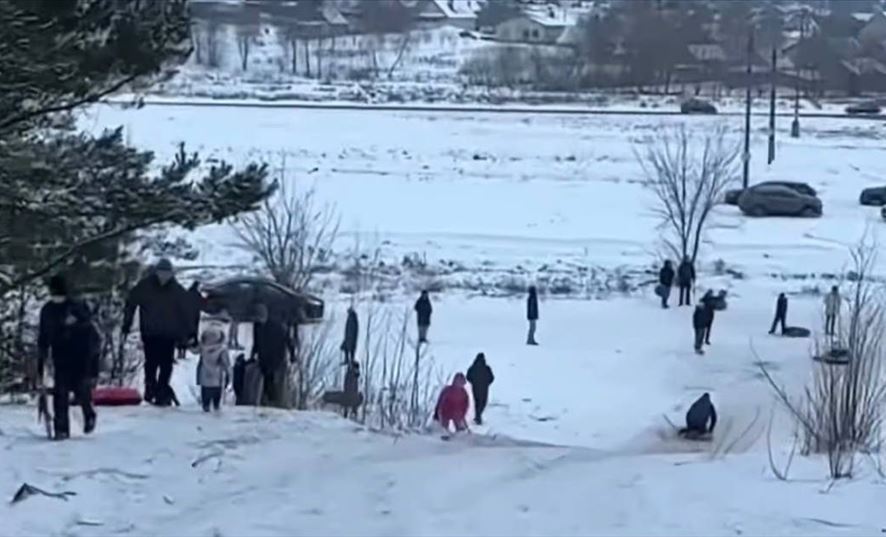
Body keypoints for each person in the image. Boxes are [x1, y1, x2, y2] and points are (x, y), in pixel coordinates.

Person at [37, 275, 99, 440]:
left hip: (80, 354)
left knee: (81, 388)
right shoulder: (47, 310)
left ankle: (89, 414)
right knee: (61, 392)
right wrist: (41, 358)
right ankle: (61, 428)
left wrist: (76, 323)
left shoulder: (76, 306)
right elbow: (43, 335)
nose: (57, 297)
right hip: (60, 355)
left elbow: (89, 327)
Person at [122, 258, 190, 405]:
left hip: (169, 333)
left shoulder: (177, 290)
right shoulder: (145, 286)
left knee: (166, 364)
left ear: (171, 274)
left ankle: (162, 391)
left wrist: (186, 334)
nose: (164, 276)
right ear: (157, 272)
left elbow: (186, 312)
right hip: (150, 331)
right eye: (161, 272)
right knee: (151, 362)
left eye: (167, 273)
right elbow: (131, 302)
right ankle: (150, 388)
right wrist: (127, 323)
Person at [250, 304, 295, 407]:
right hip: (264, 357)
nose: (258, 320)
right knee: (267, 379)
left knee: (275, 379)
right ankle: (267, 400)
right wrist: (253, 354)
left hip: (276, 356)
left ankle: (275, 400)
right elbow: (256, 342)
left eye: (259, 318)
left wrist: (292, 355)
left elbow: (288, 340)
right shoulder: (257, 326)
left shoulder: (278, 326)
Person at [196, 325, 231, 412]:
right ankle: (216, 410)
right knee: (216, 404)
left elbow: (199, 362)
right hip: (217, 381)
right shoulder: (222, 350)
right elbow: (226, 365)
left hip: (204, 380)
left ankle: (206, 408)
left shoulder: (202, 349)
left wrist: (198, 379)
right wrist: (228, 377)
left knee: (205, 404)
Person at [466, 353, 494, 425]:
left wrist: (473, 382)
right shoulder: (487, 368)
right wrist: (487, 383)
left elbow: (468, 376)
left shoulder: (472, 367)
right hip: (484, 388)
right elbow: (491, 378)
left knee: (477, 402)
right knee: (483, 402)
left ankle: (477, 416)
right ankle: (478, 416)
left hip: (475, 387)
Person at [180, 281, 203, 360]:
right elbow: (201, 304)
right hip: (195, 316)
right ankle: (187, 349)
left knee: (184, 333)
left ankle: (181, 350)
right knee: (193, 332)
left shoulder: (186, 293)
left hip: (186, 316)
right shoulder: (197, 294)